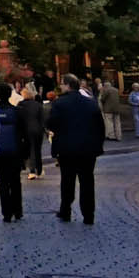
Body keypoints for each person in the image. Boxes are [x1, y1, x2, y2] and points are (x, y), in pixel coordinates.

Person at [47, 74, 105, 226]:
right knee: (87, 181)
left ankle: (65, 210)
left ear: (67, 85)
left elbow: (51, 124)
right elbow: (100, 126)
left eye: (61, 84)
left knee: (67, 180)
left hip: (67, 149)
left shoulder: (59, 103)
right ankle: (88, 215)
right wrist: (98, 145)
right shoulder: (90, 103)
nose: (60, 86)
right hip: (88, 149)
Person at [0, 86, 23, 224]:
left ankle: (6, 213)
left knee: (2, 182)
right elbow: (22, 133)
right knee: (15, 181)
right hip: (14, 151)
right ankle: (17, 210)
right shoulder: (16, 111)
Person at [19, 85, 48, 178]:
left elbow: (19, 118)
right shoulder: (37, 104)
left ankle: (32, 171)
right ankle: (39, 169)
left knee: (30, 150)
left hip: (26, 130)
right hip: (38, 130)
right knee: (37, 149)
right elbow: (42, 118)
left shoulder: (20, 105)